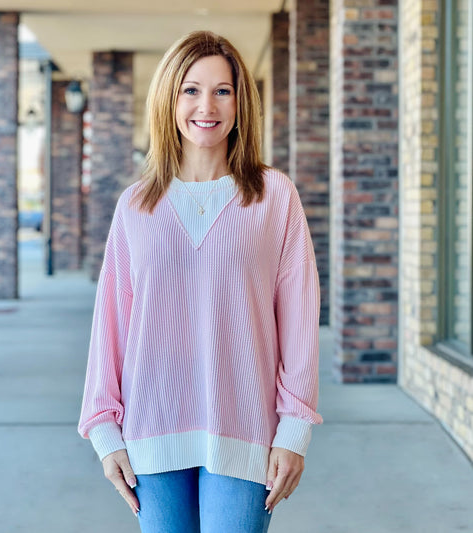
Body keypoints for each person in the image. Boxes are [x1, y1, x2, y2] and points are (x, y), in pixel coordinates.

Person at [78, 30, 323, 533]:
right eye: (190, 89)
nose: (205, 105)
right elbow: (111, 325)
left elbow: (298, 317)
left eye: (222, 90)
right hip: (151, 429)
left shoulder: (274, 196)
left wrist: (294, 431)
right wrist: (106, 433)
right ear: (169, 98)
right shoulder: (136, 205)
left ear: (240, 102)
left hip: (245, 427)